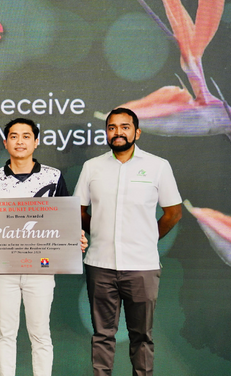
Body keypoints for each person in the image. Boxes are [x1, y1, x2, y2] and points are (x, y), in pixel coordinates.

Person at [0, 118, 87, 376]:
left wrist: (75, 239)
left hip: (41, 269)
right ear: (6, 143)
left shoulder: (53, 176)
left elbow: (66, 221)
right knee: (5, 333)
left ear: (36, 142)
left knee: (41, 334)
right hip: (3, 270)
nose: (20, 141)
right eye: (14, 136)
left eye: (26, 136)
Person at [74, 107, 182, 376]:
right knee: (102, 335)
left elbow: (173, 213)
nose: (118, 132)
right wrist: (99, 231)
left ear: (137, 132)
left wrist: (148, 237)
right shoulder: (92, 167)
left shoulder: (158, 166)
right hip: (100, 264)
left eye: (124, 127)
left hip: (142, 266)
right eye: (112, 127)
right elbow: (78, 211)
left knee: (142, 336)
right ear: (106, 133)